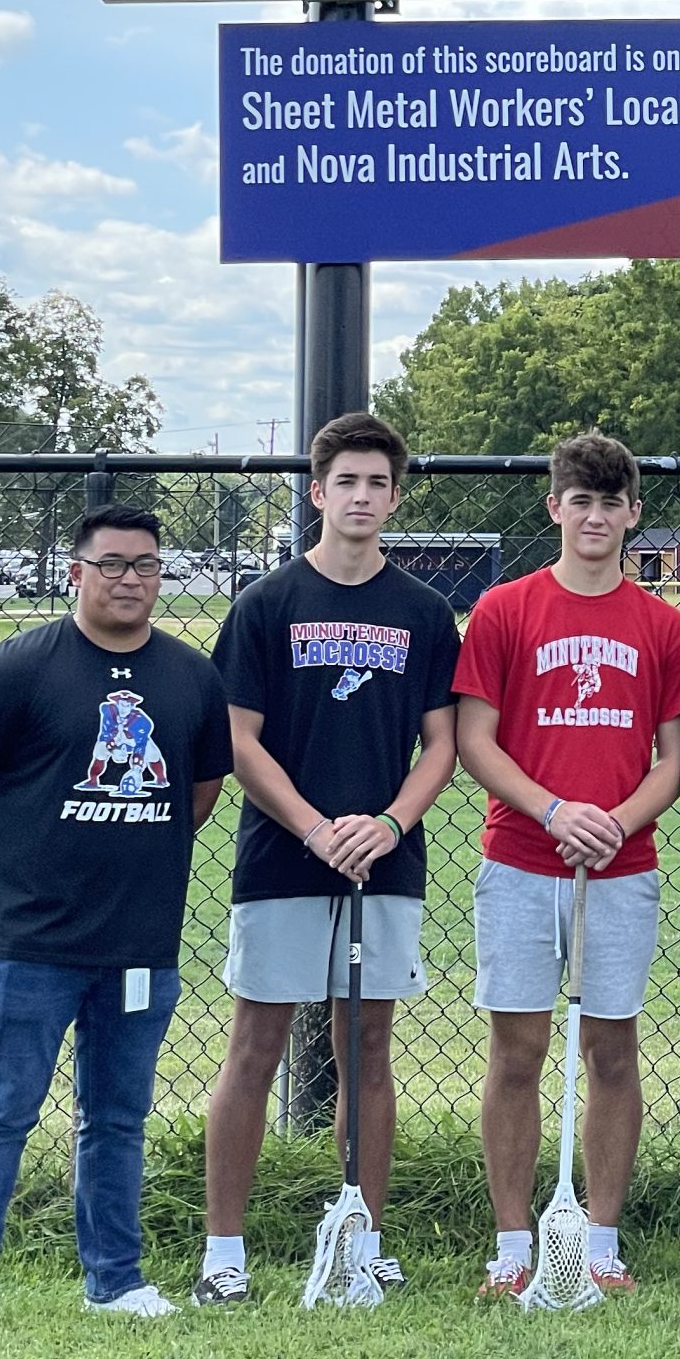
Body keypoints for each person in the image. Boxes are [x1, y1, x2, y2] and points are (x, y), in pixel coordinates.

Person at [0, 504, 232, 1334]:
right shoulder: (22, 665)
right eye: (113, 564)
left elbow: (194, 797)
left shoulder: (190, 676)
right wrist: (9, 866)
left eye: (146, 565)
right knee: (4, 1107)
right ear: (77, 573)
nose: (131, 579)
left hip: (139, 941)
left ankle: (115, 1280)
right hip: (33, 942)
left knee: (119, 1116)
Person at [197, 411, 460, 1305]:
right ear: (317, 493)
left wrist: (388, 825)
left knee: (367, 1046)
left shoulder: (423, 613)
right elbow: (238, 740)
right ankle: (223, 1250)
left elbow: (442, 746)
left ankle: (362, 1233)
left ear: (395, 497)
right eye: (345, 481)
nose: (361, 497)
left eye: (378, 483)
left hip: (382, 859)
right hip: (285, 855)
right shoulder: (269, 604)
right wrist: (315, 827)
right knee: (256, 1044)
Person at [453, 430, 680, 1299]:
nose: (596, 517)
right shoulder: (506, 610)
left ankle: (598, 1241)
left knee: (611, 1050)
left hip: (621, 867)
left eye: (612, 502)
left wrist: (614, 822)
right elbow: (474, 740)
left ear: (634, 514)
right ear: (554, 508)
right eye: (579, 501)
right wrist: (554, 810)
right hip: (521, 858)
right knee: (516, 1049)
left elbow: (673, 759)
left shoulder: (662, 625)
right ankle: (514, 1244)